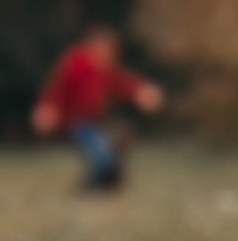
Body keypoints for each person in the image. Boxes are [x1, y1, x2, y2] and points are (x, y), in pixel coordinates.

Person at [30, 25, 164, 191]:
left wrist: (140, 92)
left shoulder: (103, 67)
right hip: (75, 122)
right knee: (102, 158)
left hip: (95, 121)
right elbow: (57, 87)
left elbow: (120, 81)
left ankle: (108, 182)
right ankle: (87, 189)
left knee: (120, 136)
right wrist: (47, 108)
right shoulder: (76, 63)